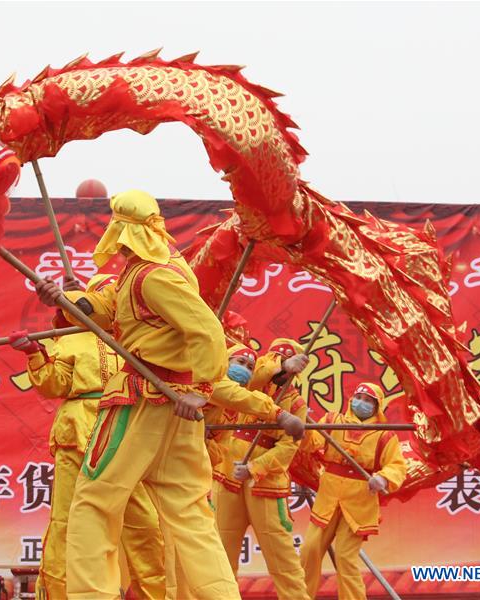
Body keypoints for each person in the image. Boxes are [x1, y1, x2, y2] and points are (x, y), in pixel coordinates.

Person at [34, 190, 301, 598]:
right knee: (191, 515)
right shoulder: (149, 269)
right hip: (171, 409)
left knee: (94, 502)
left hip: (144, 400)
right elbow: (107, 306)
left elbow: (207, 331)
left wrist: (202, 388)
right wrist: (69, 301)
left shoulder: (155, 275)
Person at [10, 274, 165, 599]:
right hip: (77, 429)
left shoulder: (138, 338)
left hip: (124, 431)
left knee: (144, 522)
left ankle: (153, 593)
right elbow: (55, 384)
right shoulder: (69, 336)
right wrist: (35, 354)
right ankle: (59, 594)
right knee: (66, 522)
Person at [212, 338, 311, 599]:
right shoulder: (252, 386)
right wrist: (280, 365)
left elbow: (288, 448)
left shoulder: (297, 404)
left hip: (264, 484)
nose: (280, 367)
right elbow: (255, 372)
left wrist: (255, 467)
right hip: (227, 476)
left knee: (281, 557)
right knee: (220, 551)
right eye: (275, 359)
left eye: (289, 364)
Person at [299, 382, 407, 600]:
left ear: (377, 407)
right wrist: (303, 426)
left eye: (369, 401)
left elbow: (397, 466)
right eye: (359, 397)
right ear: (351, 400)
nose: (362, 403)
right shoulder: (332, 421)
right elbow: (311, 444)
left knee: (345, 557)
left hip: (358, 502)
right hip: (328, 496)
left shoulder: (383, 435)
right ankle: (299, 597)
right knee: (309, 550)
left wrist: (382, 478)